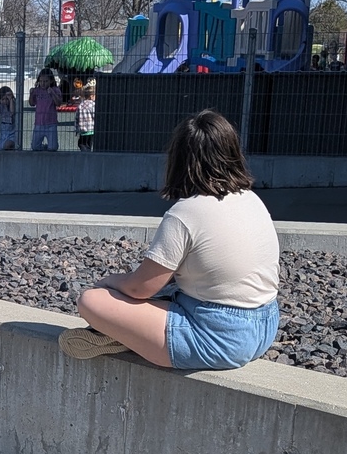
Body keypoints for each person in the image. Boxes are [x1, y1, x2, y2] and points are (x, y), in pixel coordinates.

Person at [59, 109, 280, 370]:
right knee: (170, 288)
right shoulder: (251, 199)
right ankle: (138, 334)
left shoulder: (186, 213)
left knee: (92, 300)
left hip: (217, 338)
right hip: (266, 324)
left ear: (180, 160)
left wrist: (108, 282)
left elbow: (141, 288)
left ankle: (133, 336)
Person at [28, 69, 62, 151]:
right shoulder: (37, 91)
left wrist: (52, 93)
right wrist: (31, 94)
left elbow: (58, 103)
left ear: (50, 81)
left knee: (53, 148)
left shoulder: (55, 90)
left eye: (46, 81)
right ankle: (44, 147)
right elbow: (32, 103)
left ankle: (51, 146)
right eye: (41, 81)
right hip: (39, 123)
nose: (43, 83)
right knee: (35, 147)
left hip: (51, 123)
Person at [75, 84, 96, 152]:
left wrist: (76, 128)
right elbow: (94, 116)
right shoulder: (93, 105)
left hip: (82, 130)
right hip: (91, 129)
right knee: (89, 144)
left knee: (81, 143)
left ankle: (84, 151)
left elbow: (76, 118)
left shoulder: (80, 105)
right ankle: (88, 152)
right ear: (91, 96)